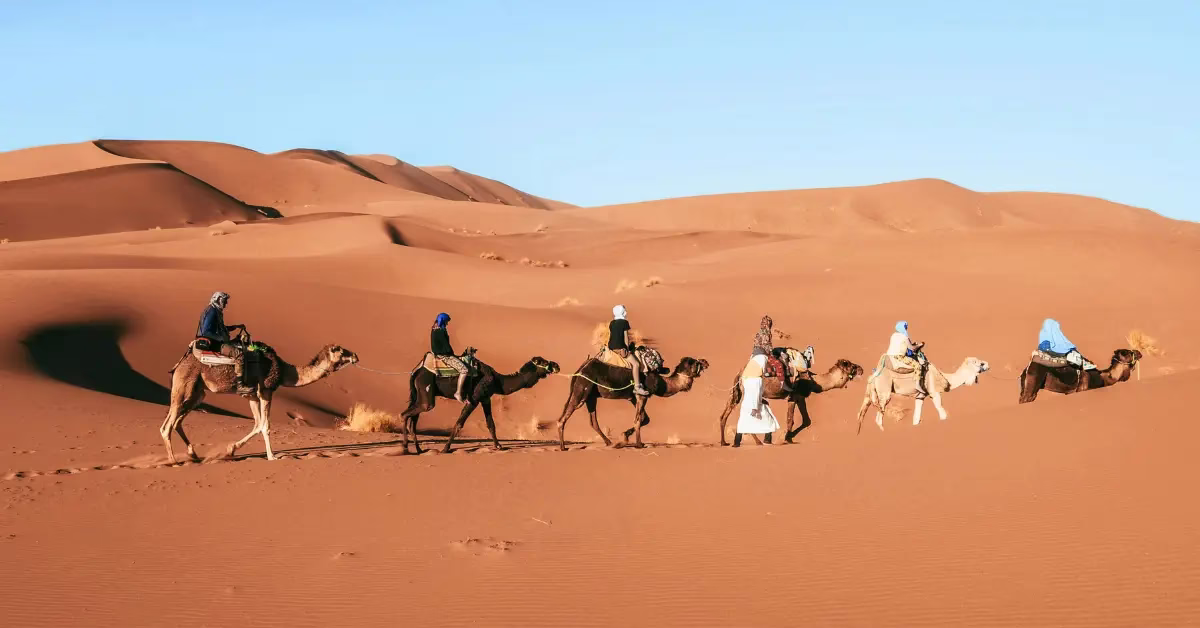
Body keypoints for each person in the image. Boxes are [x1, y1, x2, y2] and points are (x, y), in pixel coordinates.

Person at [735, 321, 781, 446]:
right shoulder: (766, 335)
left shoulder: (757, 335)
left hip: (748, 373)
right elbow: (769, 349)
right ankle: (767, 438)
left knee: (745, 411)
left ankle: (737, 441)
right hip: (755, 380)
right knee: (765, 413)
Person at [195, 291, 248, 387]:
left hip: (215, 341)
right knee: (239, 354)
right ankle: (240, 385)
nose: (226, 303)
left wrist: (235, 327)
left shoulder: (215, 311)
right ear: (218, 300)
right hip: (212, 343)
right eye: (224, 301)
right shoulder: (211, 311)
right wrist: (222, 339)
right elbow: (206, 332)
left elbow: (220, 328)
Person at [608, 305, 649, 396]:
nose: (626, 312)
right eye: (624, 311)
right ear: (622, 312)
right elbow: (626, 338)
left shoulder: (612, 323)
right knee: (636, 364)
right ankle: (637, 387)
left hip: (611, 348)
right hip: (620, 349)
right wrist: (627, 349)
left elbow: (612, 336)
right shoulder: (624, 322)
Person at [431, 312, 469, 402]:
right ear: (443, 321)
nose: (447, 323)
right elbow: (446, 347)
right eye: (446, 321)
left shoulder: (434, 329)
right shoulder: (441, 331)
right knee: (464, 370)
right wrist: (453, 354)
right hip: (445, 356)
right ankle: (458, 393)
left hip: (440, 354)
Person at [886, 320, 928, 397]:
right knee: (918, 366)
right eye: (906, 327)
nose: (906, 328)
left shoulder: (894, 335)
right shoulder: (904, 337)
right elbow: (911, 348)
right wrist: (919, 345)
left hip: (889, 355)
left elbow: (901, 345)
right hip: (899, 356)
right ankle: (917, 384)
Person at [753, 315, 792, 393]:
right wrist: (772, 353)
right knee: (779, 364)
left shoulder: (760, 331)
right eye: (769, 323)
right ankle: (782, 383)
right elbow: (766, 345)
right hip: (762, 353)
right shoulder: (766, 332)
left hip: (755, 353)